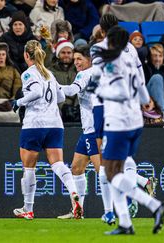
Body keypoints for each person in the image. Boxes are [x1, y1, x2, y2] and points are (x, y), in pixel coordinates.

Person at [91, 26, 164, 235]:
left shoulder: (110, 65)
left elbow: (108, 91)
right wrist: (147, 103)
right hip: (135, 122)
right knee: (118, 169)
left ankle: (155, 205)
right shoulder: (130, 62)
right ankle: (125, 223)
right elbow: (144, 96)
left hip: (118, 123)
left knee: (110, 174)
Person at [11, 40, 82, 220]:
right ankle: (74, 194)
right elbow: (60, 96)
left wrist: (19, 102)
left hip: (35, 124)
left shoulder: (28, 74)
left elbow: (36, 92)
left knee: (29, 168)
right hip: (55, 124)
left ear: (27, 55)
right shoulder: (50, 74)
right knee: (58, 164)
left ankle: (28, 208)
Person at [56, 45, 103, 219]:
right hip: (89, 130)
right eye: (75, 59)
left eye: (79, 59)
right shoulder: (100, 72)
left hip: (93, 130)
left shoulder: (84, 74)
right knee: (76, 168)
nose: (76, 62)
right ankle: (78, 211)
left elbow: (71, 90)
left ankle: (138, 186)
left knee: (103, 171)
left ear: (89, 60)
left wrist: (51, 84)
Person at [47, 38, 78, 122]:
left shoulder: (78, 70)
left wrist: (76, 107)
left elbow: (81, 90)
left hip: (76, 107)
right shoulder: (50, 71)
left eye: (69, 53)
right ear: (58, 54)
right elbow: (50, 92)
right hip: (57, 107)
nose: (66, 55)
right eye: (63, 52)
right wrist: (63, 106)